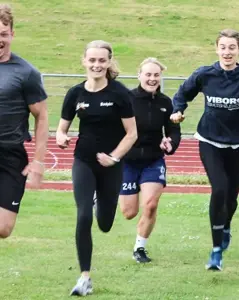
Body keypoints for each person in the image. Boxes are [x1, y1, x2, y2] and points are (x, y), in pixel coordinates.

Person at [170, 29, 239, 271]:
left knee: (232, 199)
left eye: (232, 47)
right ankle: (216, 252)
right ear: (217, 49)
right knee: (220, 189)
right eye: (223, 47)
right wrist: (178, 109)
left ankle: (225, 227)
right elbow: (182, 94)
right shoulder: (205, 74)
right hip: (209, 140)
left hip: (238, 144)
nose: (227, 52)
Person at [56, 40, 137, 296]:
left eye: (102, 60)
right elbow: (61, 128)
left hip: (111, 165)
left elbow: (132, 134)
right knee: (83, 216)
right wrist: (61, 137)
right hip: (84, 161)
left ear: (109, 62)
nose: (97, 65)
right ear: (84, 61)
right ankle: (85, 277)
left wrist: (114, 157)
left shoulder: (120, 94)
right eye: (92, 60)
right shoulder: (75, 94)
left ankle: (97, 202)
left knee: (104, 223)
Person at [118, 57, 181, 263]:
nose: (152, 79)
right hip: (127, 161)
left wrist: (170, 143)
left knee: (151, 204)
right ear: (139, 75)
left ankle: (140, 248)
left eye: (156, 75)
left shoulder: (165, 103)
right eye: (148, 74)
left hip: (153, 160)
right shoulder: (127, 99)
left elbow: (173, 130)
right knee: (129, 212)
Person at [0, 4, 49, 239]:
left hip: (10, 155)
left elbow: (41, 117)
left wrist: (39, 162)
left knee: (3, 228)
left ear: (12, 34)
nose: (0, 39)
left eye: (3, 33)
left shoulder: (26, 72)